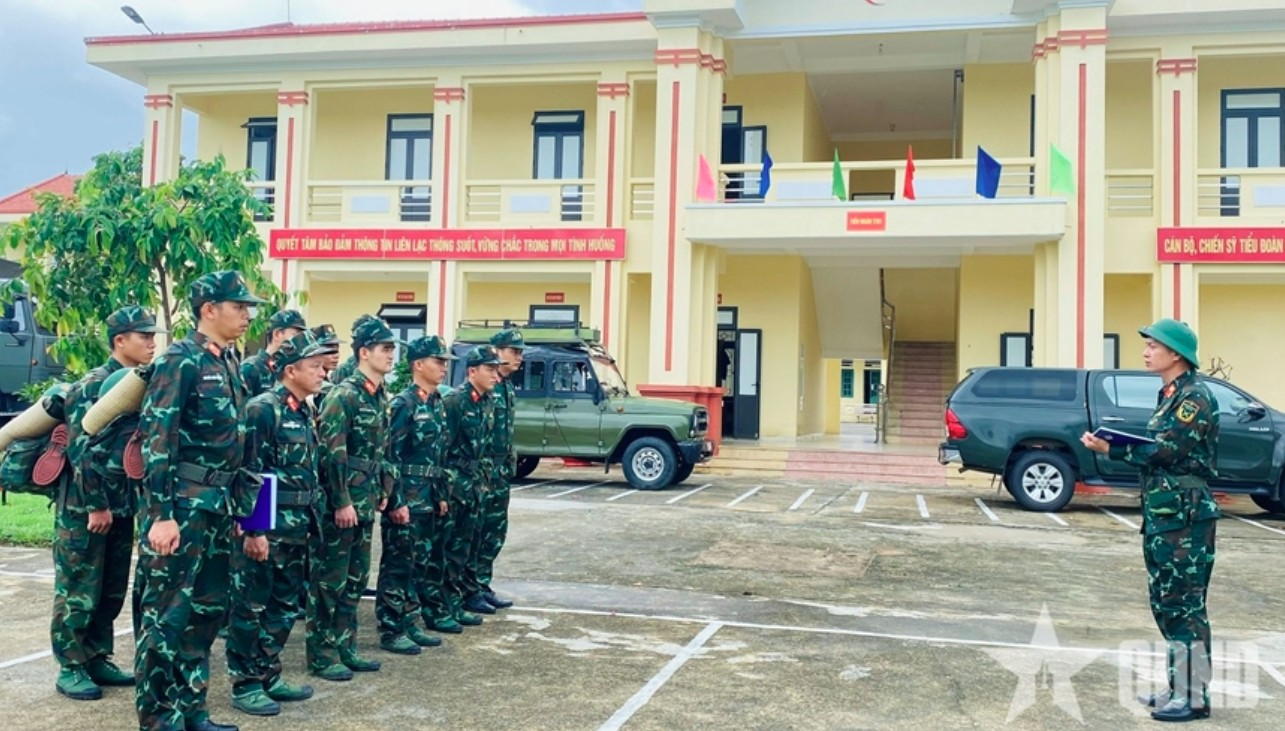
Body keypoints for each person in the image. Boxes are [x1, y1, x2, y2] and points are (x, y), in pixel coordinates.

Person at [134, 271, 265, 731]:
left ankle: (192, 709)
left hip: (217, 507)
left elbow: (237, 446)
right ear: (209, 309)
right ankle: (158, 717)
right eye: (239, 306)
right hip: (183, 508)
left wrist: (246, 513)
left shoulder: (228, 361)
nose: (248, 314)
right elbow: (157, 440)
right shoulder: (180, 361)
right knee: (167, 614)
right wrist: (160, 516)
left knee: (206, 613)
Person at [1081, 318, 1220, 722]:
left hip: (1185, 516)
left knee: (1185, 605)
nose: (1145, 351)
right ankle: (1180, 687)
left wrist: (1113, 449)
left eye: (1153, 346)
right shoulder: (1171, 394)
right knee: (1167, 603)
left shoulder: (1194, 397)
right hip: (1166, 513)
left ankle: (1193, 697)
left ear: (1175, 354)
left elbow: (1166, 450)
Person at [52, 306, 164, 701]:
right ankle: (71, 665)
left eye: (153, 335)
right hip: (86, 507)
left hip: (121, 505)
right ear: (120, 341)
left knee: (111, 586)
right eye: (143, 336)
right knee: (78, 586)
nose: (152, 342)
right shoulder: (92, 385)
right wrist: (95, 504)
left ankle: (97, 655)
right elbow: (81, 450)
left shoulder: (137, 384)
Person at [225, 330, 337, 716]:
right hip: (268, 529)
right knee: (251, 607)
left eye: (323, 366)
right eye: (314, 366)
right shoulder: (263, 409)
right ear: (291, 370)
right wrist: (254, 529)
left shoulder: (305, 409)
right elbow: (248, 470)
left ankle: (268, 673)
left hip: (298, 527)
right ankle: (246, 684)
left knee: (285, 606)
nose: (323, 372)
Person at [308, 317, 398, 679]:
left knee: (356, 579)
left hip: (366, 500)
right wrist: (341, 500)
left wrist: (385, 491)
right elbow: (332, 454)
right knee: (330, 580)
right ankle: (321, 654)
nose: (391, 356)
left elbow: (383, 450)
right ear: (364, 352)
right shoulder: (343, 395)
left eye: (393, 349)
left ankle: (345, 646)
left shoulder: (379, 395)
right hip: (341, 505)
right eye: (385, 349)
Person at [376, 336, 455, 652]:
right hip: (407, 499)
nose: (444, 367)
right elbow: (390, 455)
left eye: (445, 361)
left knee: (418, 564)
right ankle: (391, 628)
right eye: (438, 361)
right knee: (398, 565)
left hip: (428, 499)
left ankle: (410, 621)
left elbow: (437, 456)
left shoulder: (435, 402)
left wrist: (441, 495)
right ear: (418, 364)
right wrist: (395, 500)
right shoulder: (403, 404)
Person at [441, 345, 503, 627]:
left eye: (496, 369)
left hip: (478, 486)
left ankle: (461, 599)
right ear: (471, 371)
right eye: (489, 369)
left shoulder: (487, 401)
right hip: (457, 486)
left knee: (468, 547)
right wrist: (446, 489)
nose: (495, 375)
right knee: (451, 549)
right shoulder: (455, 402)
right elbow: (443, 448)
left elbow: (486, 448)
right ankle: (445, 605)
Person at [475, 328, 525, 610]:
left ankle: (482, 584)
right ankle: (469, 589)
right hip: (483, 471)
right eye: (514, 351)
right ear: (497, 350)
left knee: (494, 532)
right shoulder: (484, 384)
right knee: (476, 532)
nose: (519, 357)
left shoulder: (505, 386)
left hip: (500, 472)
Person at [240, 309, 307, 397]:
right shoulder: (251, 367)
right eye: (296, 335)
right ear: (277, 334)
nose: (300, 341)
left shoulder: (289, 371)